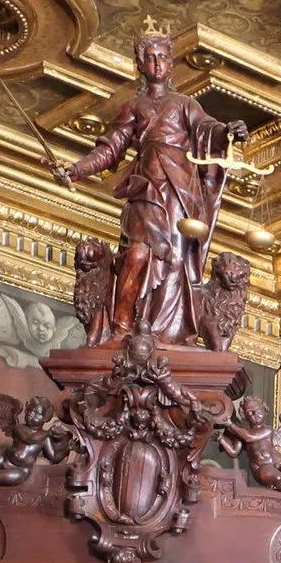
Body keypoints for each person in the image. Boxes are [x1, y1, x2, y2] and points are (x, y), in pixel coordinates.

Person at [54, 28, 247, 347]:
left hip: (179, 194)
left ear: (171, 63)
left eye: (163, 57)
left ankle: (164, 333)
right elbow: (110, 149)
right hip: (145, 191)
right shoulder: (134, 106)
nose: (157, 63)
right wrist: (76, 170)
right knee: (137, 254)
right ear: (140, 64)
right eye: (150, 58)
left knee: (173, 262)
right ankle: (122, 327)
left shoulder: (184, 103)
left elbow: (206, 130)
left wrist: (228, 132)